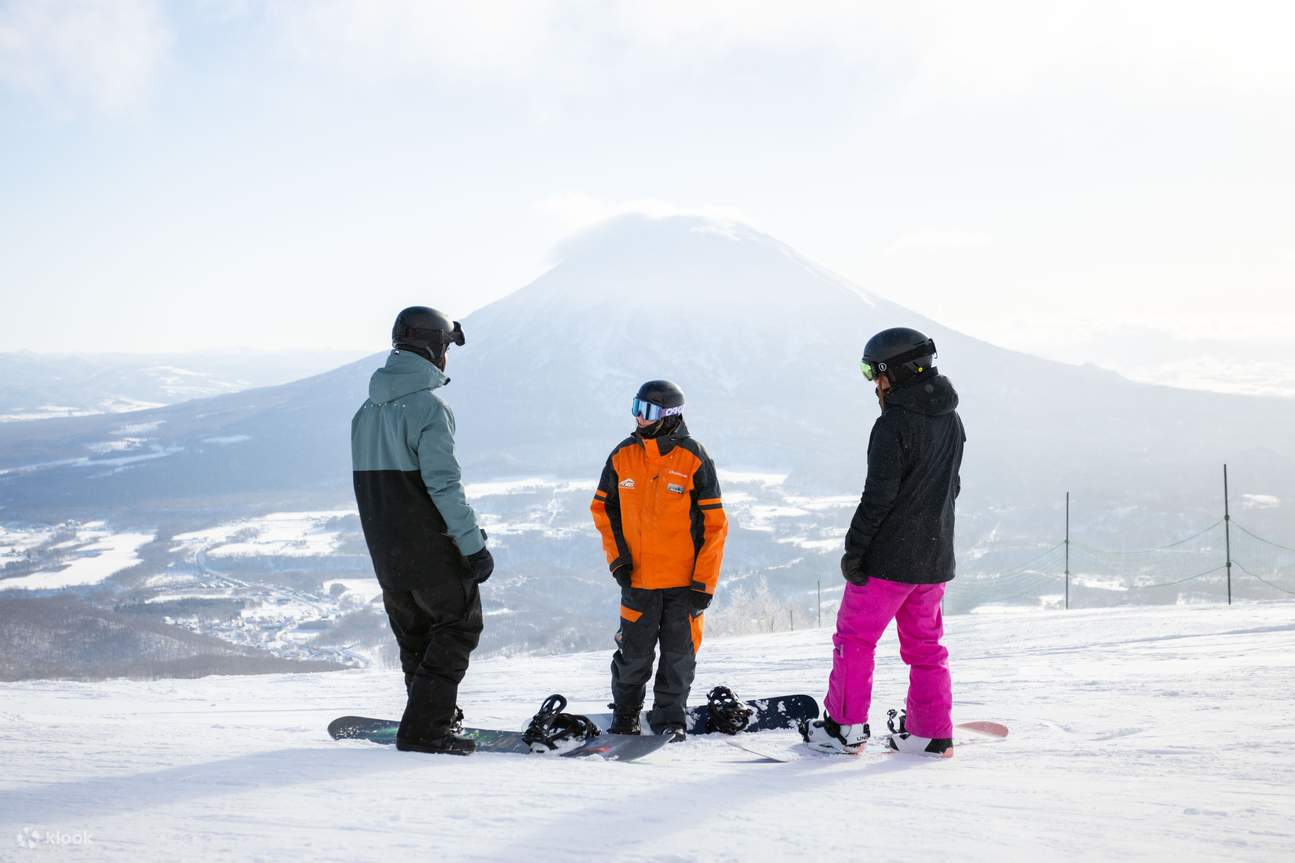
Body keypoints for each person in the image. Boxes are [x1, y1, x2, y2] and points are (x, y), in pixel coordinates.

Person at [802, 327, 965, 756]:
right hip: (933, 559)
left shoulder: (893, 423)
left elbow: (878, 497)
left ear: (895, 369)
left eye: (874, 373)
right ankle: (931, 733)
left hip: (888, 562)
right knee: (926, 648)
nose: (874, 383)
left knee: (855, 640)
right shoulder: (951, 419)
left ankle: (844, 728)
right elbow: (953, 487)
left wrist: (856, 551)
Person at [351, 306, 494, 756]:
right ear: (434, 348)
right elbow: (443, 485)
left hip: (384, 549)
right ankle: (425, 729)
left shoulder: (366, 411)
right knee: (457, 626)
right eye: (447, 347)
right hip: (428, 544)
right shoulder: (430, 408)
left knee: (416, 635)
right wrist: (473, 547)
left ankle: (430, 715)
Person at [590, 380, 729, 740]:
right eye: (635, 407)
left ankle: (669, 719)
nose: (638, 417)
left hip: (684, 585)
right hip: (637, 582)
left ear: (670, 415)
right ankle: (625, 716)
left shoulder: (693, 457)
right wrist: (617, 560)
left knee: (678, 659)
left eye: (647, 411)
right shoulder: (623, 456)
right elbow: (603, 509)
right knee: (632, 657)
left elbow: (715, 526)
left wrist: (704, 583)